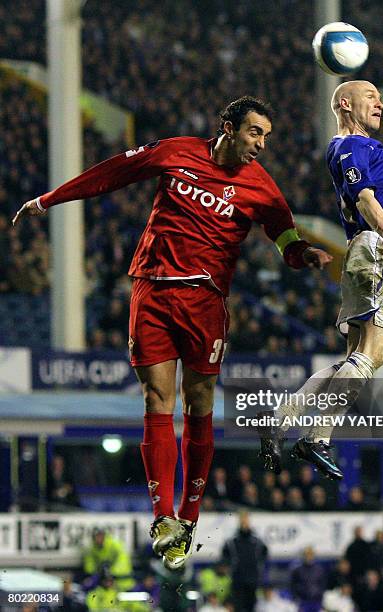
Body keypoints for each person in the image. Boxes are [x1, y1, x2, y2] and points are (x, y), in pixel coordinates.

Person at [13, 96, 332, 569]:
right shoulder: (176, 152)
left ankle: (189, 516)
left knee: (198, 403)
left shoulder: (262, 188)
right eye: (254, 133)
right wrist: (50, 199)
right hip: (153, 291)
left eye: (265, 136)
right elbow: (111, 173)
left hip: (205, 304)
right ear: (228, 127)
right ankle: (163, 516)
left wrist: (302, 254)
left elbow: (284, 234)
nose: (261, 144)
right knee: (154, 400)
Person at [259, 80, 383, 480]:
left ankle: (282, 418)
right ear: (345, 103)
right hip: (379, 249)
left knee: (353, 358)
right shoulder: (349, 146)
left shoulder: (366, 148)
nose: (381, 104)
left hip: (379, 255)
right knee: (371, 356)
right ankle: (317, 438)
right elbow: (365, 199)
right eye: (372, 97)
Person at [222, 511, 268, 612]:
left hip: (252, 580)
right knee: (238, 607)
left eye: (246, 519)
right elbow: (225, 556)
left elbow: (264, 553)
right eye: (242, 519)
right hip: (237, 580)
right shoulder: (232, 542)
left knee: (251, 606)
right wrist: (230, 567)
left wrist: (257, 567)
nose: (244, 522)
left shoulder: (257, 541)